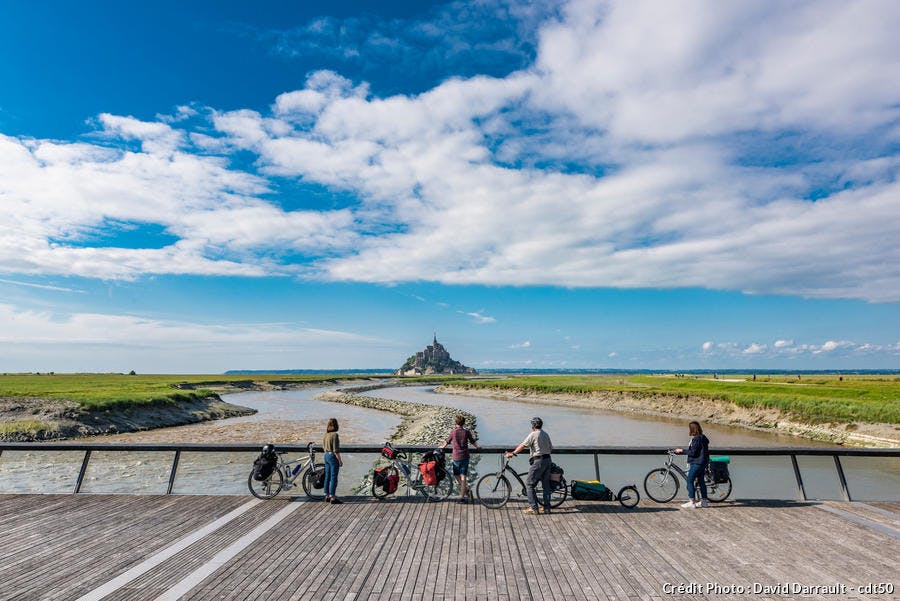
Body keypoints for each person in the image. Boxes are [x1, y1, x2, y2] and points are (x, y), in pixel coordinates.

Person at [506, 417, 553, 515]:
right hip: (548, 460)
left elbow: (523, 445)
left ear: (534, 425)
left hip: (538, 461)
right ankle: (547, 508)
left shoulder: (533, 434)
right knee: (546, 485)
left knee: (529, 484)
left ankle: (533, 507)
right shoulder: (545, 434)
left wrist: (513, 453)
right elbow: (550, 448)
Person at [444, 415, 481, 504]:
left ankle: (463, 495)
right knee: (463, 476)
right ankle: (464, 493)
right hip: (465, 457)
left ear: (456, 423)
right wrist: (477, 446)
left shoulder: (454, 432)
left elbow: (447, 441)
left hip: (456, 457)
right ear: (463, 423)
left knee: (457, 475)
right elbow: (473, 441)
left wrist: (442, 446)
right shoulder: (466, 432)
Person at [675, 421, 710, 508]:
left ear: (692, 429)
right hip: (703, 462)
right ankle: (704, 502)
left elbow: (693, 452)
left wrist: (682, 451)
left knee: (689, 480)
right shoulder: (703, 437)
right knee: (701, 481)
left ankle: (692, 502)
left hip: (697, 463)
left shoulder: (696, 439)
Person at [323, 418, 343, 504]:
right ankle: (333, 497)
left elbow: (323, 447)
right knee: (334, 477)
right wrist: (340, 460)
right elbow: (336, 450)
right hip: (332, 456)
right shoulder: (335, 435)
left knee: (327, 477)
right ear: (336, 425)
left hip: (326, 455)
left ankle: (326, 496)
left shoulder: (326, 435)